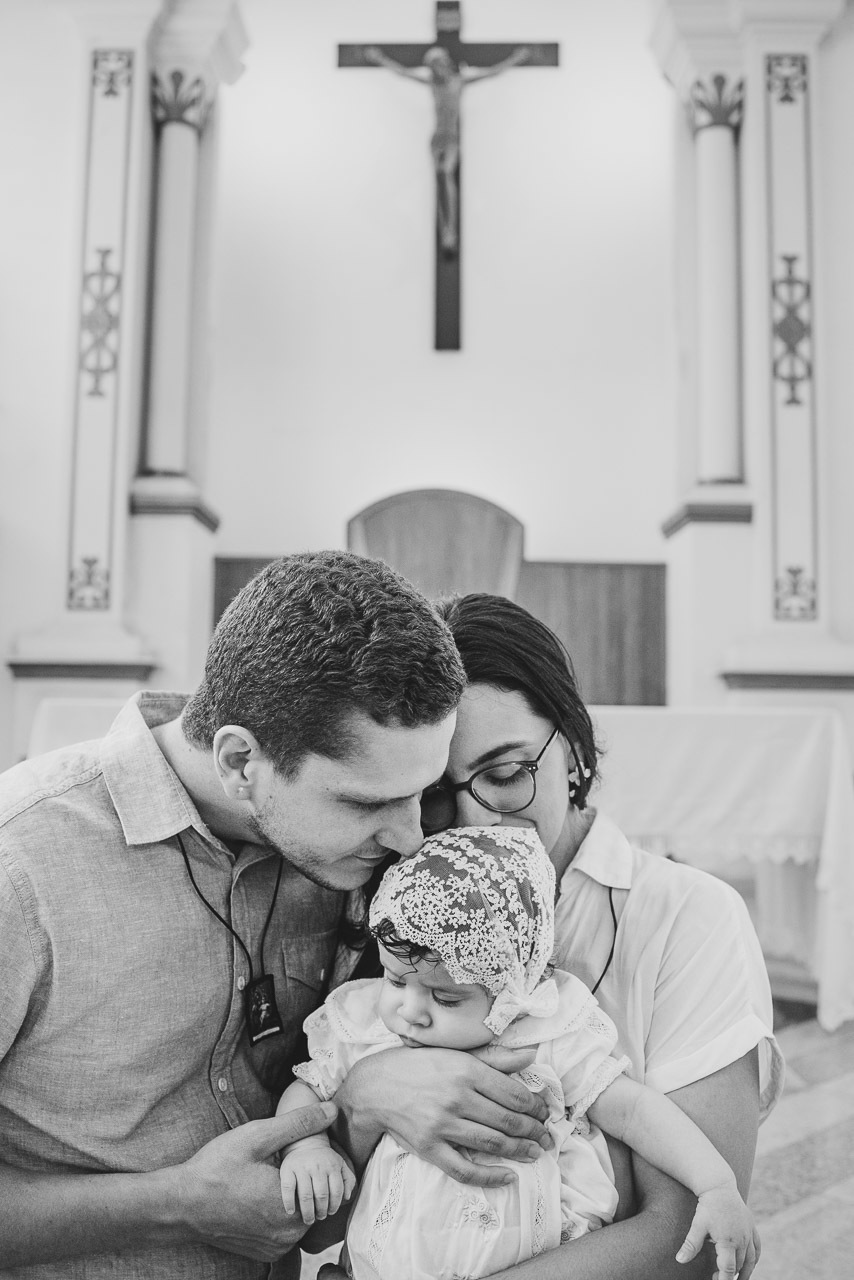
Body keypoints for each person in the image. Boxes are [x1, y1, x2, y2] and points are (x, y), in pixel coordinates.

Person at [0, 551, 475, 1279]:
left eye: (421, 792)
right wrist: (174, 1205)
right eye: (366, 802)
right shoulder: (22, 864)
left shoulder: (349, 861)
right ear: (239, 761)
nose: (410, 838)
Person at [331, 593, 784, 1280]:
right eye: (434, 792)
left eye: (505, 774)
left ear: (571, 747)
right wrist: (365, 1097)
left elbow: (693, 1246)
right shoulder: (397, 901)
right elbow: (317, 1222)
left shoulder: (687, 916)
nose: (474, 821)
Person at [279, 826, 758, 1280]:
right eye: (395, 980)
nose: (410, 1011)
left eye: (445, 998)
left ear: (510, 989)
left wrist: (715, 1184)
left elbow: (633, 1111)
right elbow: (310, 1090)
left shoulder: (542, 1031)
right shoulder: (367, 1026)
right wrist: (307, 1146)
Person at [363, 43, 530, 253]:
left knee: (445, 174)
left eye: (438, 63)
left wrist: (516, 59)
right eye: (432, 66)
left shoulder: (457, 82)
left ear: (445, 63)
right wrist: (380, 59)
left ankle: (450, 231)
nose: (436, 69)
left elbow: (491, 73)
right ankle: (446, 230)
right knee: (441, 181)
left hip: (451, 140)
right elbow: (403, 73)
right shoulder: (434, 84)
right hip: (437, 140)